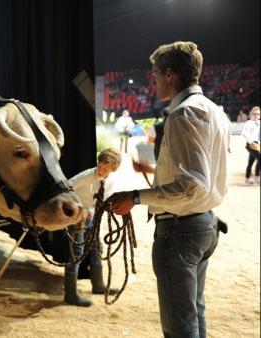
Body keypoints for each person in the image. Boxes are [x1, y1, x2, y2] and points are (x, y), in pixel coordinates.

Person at [109, 41, 231, 337]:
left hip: (180, 231)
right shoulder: (215, 111)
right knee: (193, 314)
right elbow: (205, 173)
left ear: (171, 74)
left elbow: (192, 184)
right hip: (204, 225)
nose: (153, 83)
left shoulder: (182, 115)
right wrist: (154, 171)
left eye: (155, 76)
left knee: (180, 326)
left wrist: (135, 197)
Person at [64, 148, 122, 306]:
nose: (101, 170)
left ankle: (98, 284)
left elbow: (102, 200)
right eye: (101, 166)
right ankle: (70, 293)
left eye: (106, 169)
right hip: (78, 219)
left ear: (112, 169)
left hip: (93, 218)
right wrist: (78, 207)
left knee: (97, 249)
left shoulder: (109, 182)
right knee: (77, 253)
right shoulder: (86, 176)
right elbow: (67, 187)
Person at [241, 106, 260, 184]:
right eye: (254, 114)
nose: (256, 115)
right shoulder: (248, 123)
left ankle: (247, 179)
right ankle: (256, 178)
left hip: (258, 145)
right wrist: (251, 142)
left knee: (250, 162)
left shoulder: (259, 123)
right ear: (251, 114)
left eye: (258, 114)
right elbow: (243, 134)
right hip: (250, 144)